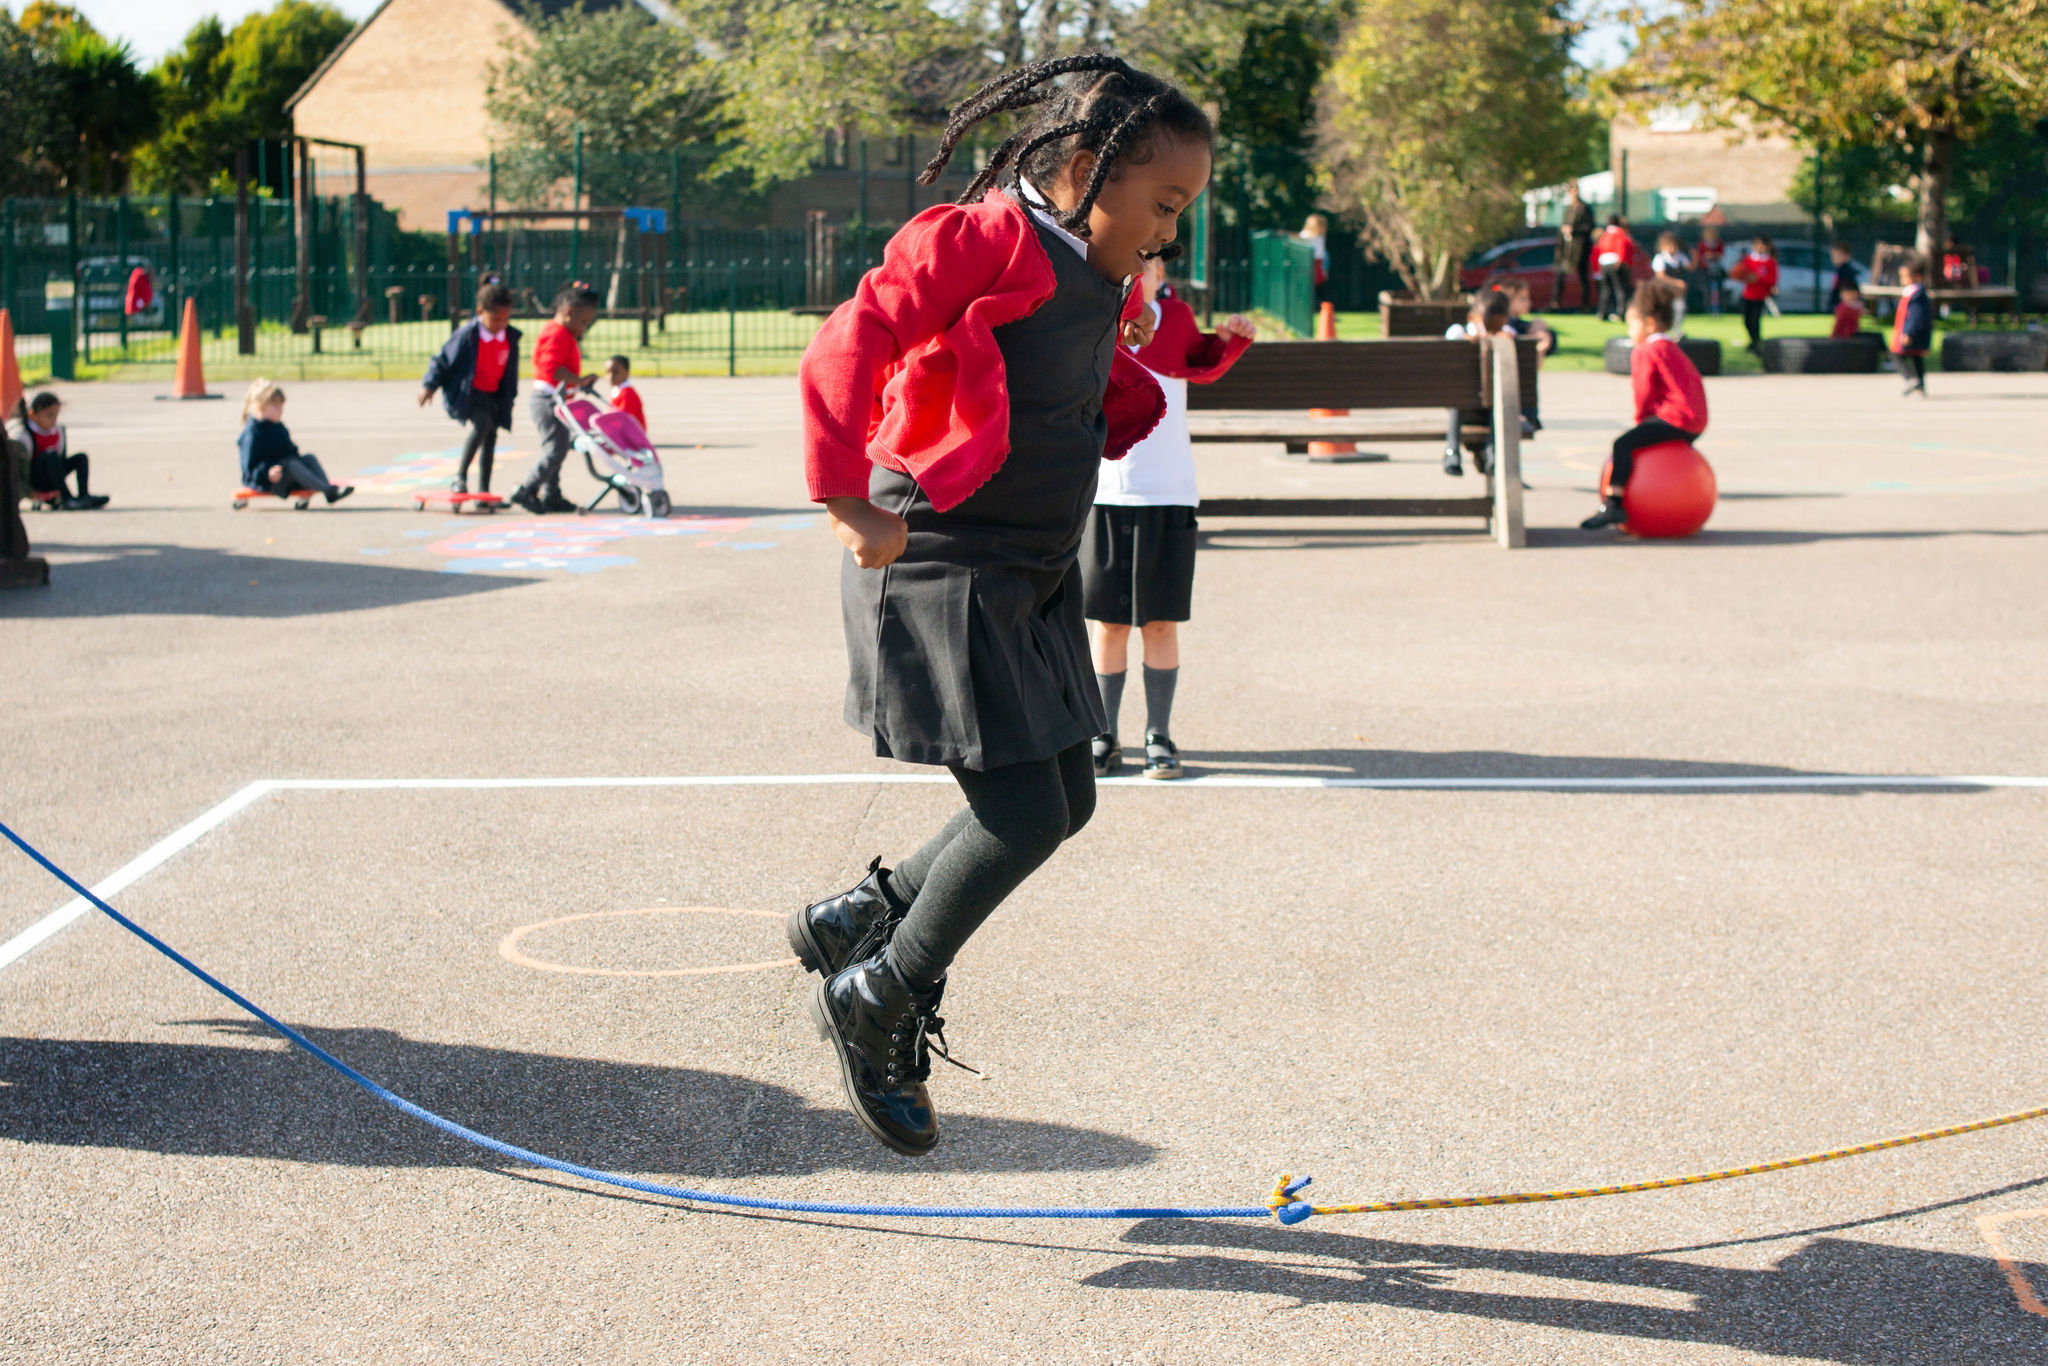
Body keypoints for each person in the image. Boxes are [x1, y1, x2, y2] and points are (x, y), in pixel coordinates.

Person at [787, 54, 1206, 1156]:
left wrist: (1149, 359)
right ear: (1083, 169)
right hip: (942, 553)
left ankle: (862, 915)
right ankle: (878, 993)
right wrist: (844, 495)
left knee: (1068, 798)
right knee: (1021, 813)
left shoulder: (1093, 263)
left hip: (1028, 568)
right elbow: (851, 336)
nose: (1168, 232)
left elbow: (1058, 373)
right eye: (1164, 205)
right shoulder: (983, 238)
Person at [1083, 255, 1253, 781]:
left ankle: (1158, 733)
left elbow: (1205, 361)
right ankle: (1103, 733)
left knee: (1160, 621)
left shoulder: (1174, 318)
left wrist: (1232, 339)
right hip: (1107, 491)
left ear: (1162, 276)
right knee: (1109, 623)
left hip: (1168, 491)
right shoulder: (1095, 314)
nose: (1143, 268)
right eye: (1134, 258)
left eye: (1152, 262)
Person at [1582, 279, 1706, 531]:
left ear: (1649, 324)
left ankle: (1613, 503)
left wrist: (1641, 420)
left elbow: (1643, 390)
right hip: (1694, 421)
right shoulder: (1672, 347)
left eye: (1631, 326)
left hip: (1675, 418)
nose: (1630, 333)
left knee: (1623, 444)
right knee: (1638, 441)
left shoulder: (1646, 350)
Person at [418, 281, 521, 496]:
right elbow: (443, 360)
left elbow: (510, 372)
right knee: (482, 424)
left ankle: (484, 490)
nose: (501, 324)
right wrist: (429, 386)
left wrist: (509, 398)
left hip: (494, 394)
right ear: (480, 312)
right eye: (496, 319)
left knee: (491, 436)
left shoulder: (510, 337)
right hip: (468, 393)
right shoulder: (468, 335)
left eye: (506, 319)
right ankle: (460, 477)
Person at [507, 283, 601, 515]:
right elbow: (552, 369)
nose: (585, 328)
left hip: (557, 399)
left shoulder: (562, 333)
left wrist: (578, 383)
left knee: (559, 447)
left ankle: (551, 494)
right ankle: (527, 489)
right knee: (555, 449)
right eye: (583, 322)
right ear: (569, 312)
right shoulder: (556, 333)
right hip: (548, 400)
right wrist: (579, 381)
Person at [237, 380, 354, 504]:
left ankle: (328, 490)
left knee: (309, 458)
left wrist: (299, 462)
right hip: (269, 482)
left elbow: (290, 451)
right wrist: (267, 474)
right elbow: (248, 471)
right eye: (276, 407)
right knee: (291, 464)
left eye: (281, 406)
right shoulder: (253, 434)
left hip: (286, 474)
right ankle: (329, 490)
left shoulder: (278, 427)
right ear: (261, 407)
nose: (281, 410)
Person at [1443, 289, 1511, 477]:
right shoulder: (1462, 333)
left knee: (1460, 399)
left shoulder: (1459, 332)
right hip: (1477, 409)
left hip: (1474, 410)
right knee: (1461, 396)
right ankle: (1491, 453)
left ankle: (1452, 452)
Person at [12, 392, 106, 509]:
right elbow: (16, 472)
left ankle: (84, 495)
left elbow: (60, 460)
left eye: (56, 415)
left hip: (52, 475)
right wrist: (29, 491)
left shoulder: (58, 431)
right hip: (35, 480)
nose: (54, 420)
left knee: (81, 457)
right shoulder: (22, 437)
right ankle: (67, 498)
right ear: (32, 415)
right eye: (49, 415)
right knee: (51, 455)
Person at [1495, 278, 1551, 434]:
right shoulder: (1519, 330)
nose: (1529, 302)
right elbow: (1535, 367)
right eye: (1523, 298)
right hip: (1523, 406)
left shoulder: (1496, 326)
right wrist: (1540, 349)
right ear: (1508, 301)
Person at [1890, 255, 1933, 397]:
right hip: (1910, 331)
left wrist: (1909, 332)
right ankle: (1920, 385)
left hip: (1913, 333)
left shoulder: (1917, 295)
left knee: (1896, 354)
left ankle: (1910, 379)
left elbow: (1915, 316)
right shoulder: (1910, 292)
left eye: (1906, 276)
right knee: (1916, 358)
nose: (1903, 279)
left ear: (1918, 277)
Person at [1730, 236, 1778, 353]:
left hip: (1760, 296)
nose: (1760, 247)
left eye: (1762, 244)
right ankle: (1753, 340)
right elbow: (1738, 273)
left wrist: (1757, 279)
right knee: (1746, 320)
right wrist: (1742, 276)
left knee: (1755, 319)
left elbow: (1772, 279)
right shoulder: (1748, 260)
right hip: (1748, 295)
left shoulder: (1770, 262)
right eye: (1757, 244)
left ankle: (1756, 341)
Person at [1555, 183, 1595, 312]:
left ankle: (1585, 305)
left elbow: (1589, 227)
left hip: (1580, 248)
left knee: (1583, 276)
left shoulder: (1584, 208)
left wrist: (1574, 230)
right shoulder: (1568, 209)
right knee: (1560, 275)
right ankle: (1555, 303)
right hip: (1568, 248)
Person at [1592, 215, 1638, 321]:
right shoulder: (1619, 233)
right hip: (1614, 262)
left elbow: (1601, 247)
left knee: (1606, 289)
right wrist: (1620, 260)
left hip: (1604, 263)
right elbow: (1621, 246)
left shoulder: (1605, 234)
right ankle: (1621, 312)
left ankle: (1602, 312)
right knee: (1619, 288)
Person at [1651, 230, 1689, 334]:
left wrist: (1695, 255)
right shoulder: (1660, 258)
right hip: (1663, 290)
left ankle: (1676, 330)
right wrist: (1676, 283)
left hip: (1677, 291)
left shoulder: (1680, 257)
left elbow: (1690, 267)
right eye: (1669, 245)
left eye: (1674, 245)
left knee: (1679, 308)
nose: (1672, 248)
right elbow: (1660, 276)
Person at [603, 354, 646, 433]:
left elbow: (623, 421)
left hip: (631, 436)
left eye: (616, 372)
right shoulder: (617, 391)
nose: (611, 376)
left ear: (626, 372)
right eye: (608, 372)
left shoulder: (627, 394)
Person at [1692, 223, 1727, 315]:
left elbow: (1722, 254)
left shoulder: (1719, 243)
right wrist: (1707, 257)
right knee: (1707, 291)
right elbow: (1700, 257)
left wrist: (1715, 255)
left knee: (1719, 290)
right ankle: (1709, 309)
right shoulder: (1702, 244)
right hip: (1706, 271)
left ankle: (1720, 308)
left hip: (1717, 271)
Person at [1298, 213, 1330, 302]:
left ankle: (1324, 307)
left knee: (1321, 289)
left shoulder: (1320, 237)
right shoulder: (1306, 235)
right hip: (1310, 263)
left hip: (1318, 263)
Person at [1828, 242, 1863, 308]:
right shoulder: (1839, 270)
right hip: (1838, 304)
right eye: (1834, 256)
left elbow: (1849, 290)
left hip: (1843, 304)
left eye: (1838, 256)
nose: (1835, 258)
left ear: (1847, 256)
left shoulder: (1846, 271)